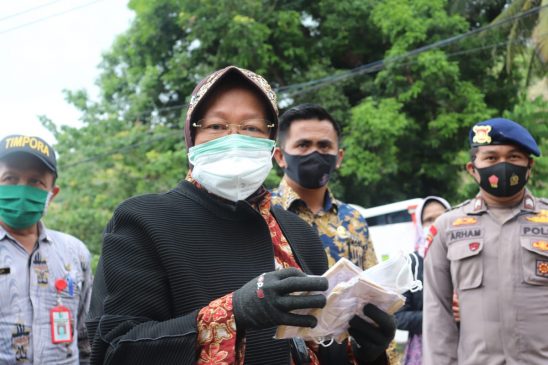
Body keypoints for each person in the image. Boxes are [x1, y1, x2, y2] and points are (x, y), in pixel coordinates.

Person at [86, 66, 396, 365]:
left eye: (250, 128)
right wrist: (233, 313)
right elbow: (115, 349)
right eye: (217, 126)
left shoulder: (299, 234)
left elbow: (314, 348)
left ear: (270, 140)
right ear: (191, 137)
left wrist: (363, 352)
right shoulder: (143, 221)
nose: (233, 138)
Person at [271, 103, 395, 364]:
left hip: (349, 353)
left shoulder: (353, 219)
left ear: (338, 157)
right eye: (303, 145)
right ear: (280, 156)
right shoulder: (263, 213)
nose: (315, 153)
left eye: (324, 146)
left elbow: (375, 294)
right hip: (286, 354)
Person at [423, 118, 548, 365]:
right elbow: (436, 313)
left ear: (529, 166)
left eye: (513, 157)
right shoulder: (447, 227)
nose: (503, 165)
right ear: (472, 168)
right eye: (491, 158)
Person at [0, 135, 92, 364]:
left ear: (52, 194)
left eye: (35, 181)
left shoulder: (75, 252)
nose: (22, 190)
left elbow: (86, 337)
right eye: (10, 178)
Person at [394, 196, 450, 365]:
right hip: (425, 350)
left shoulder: (467, 257)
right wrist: (436, 317)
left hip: (469, 346)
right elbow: (398, 316)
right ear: (420, 225)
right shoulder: (412, 264)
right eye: (429, 220)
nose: (437, 223)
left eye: (442, 217)